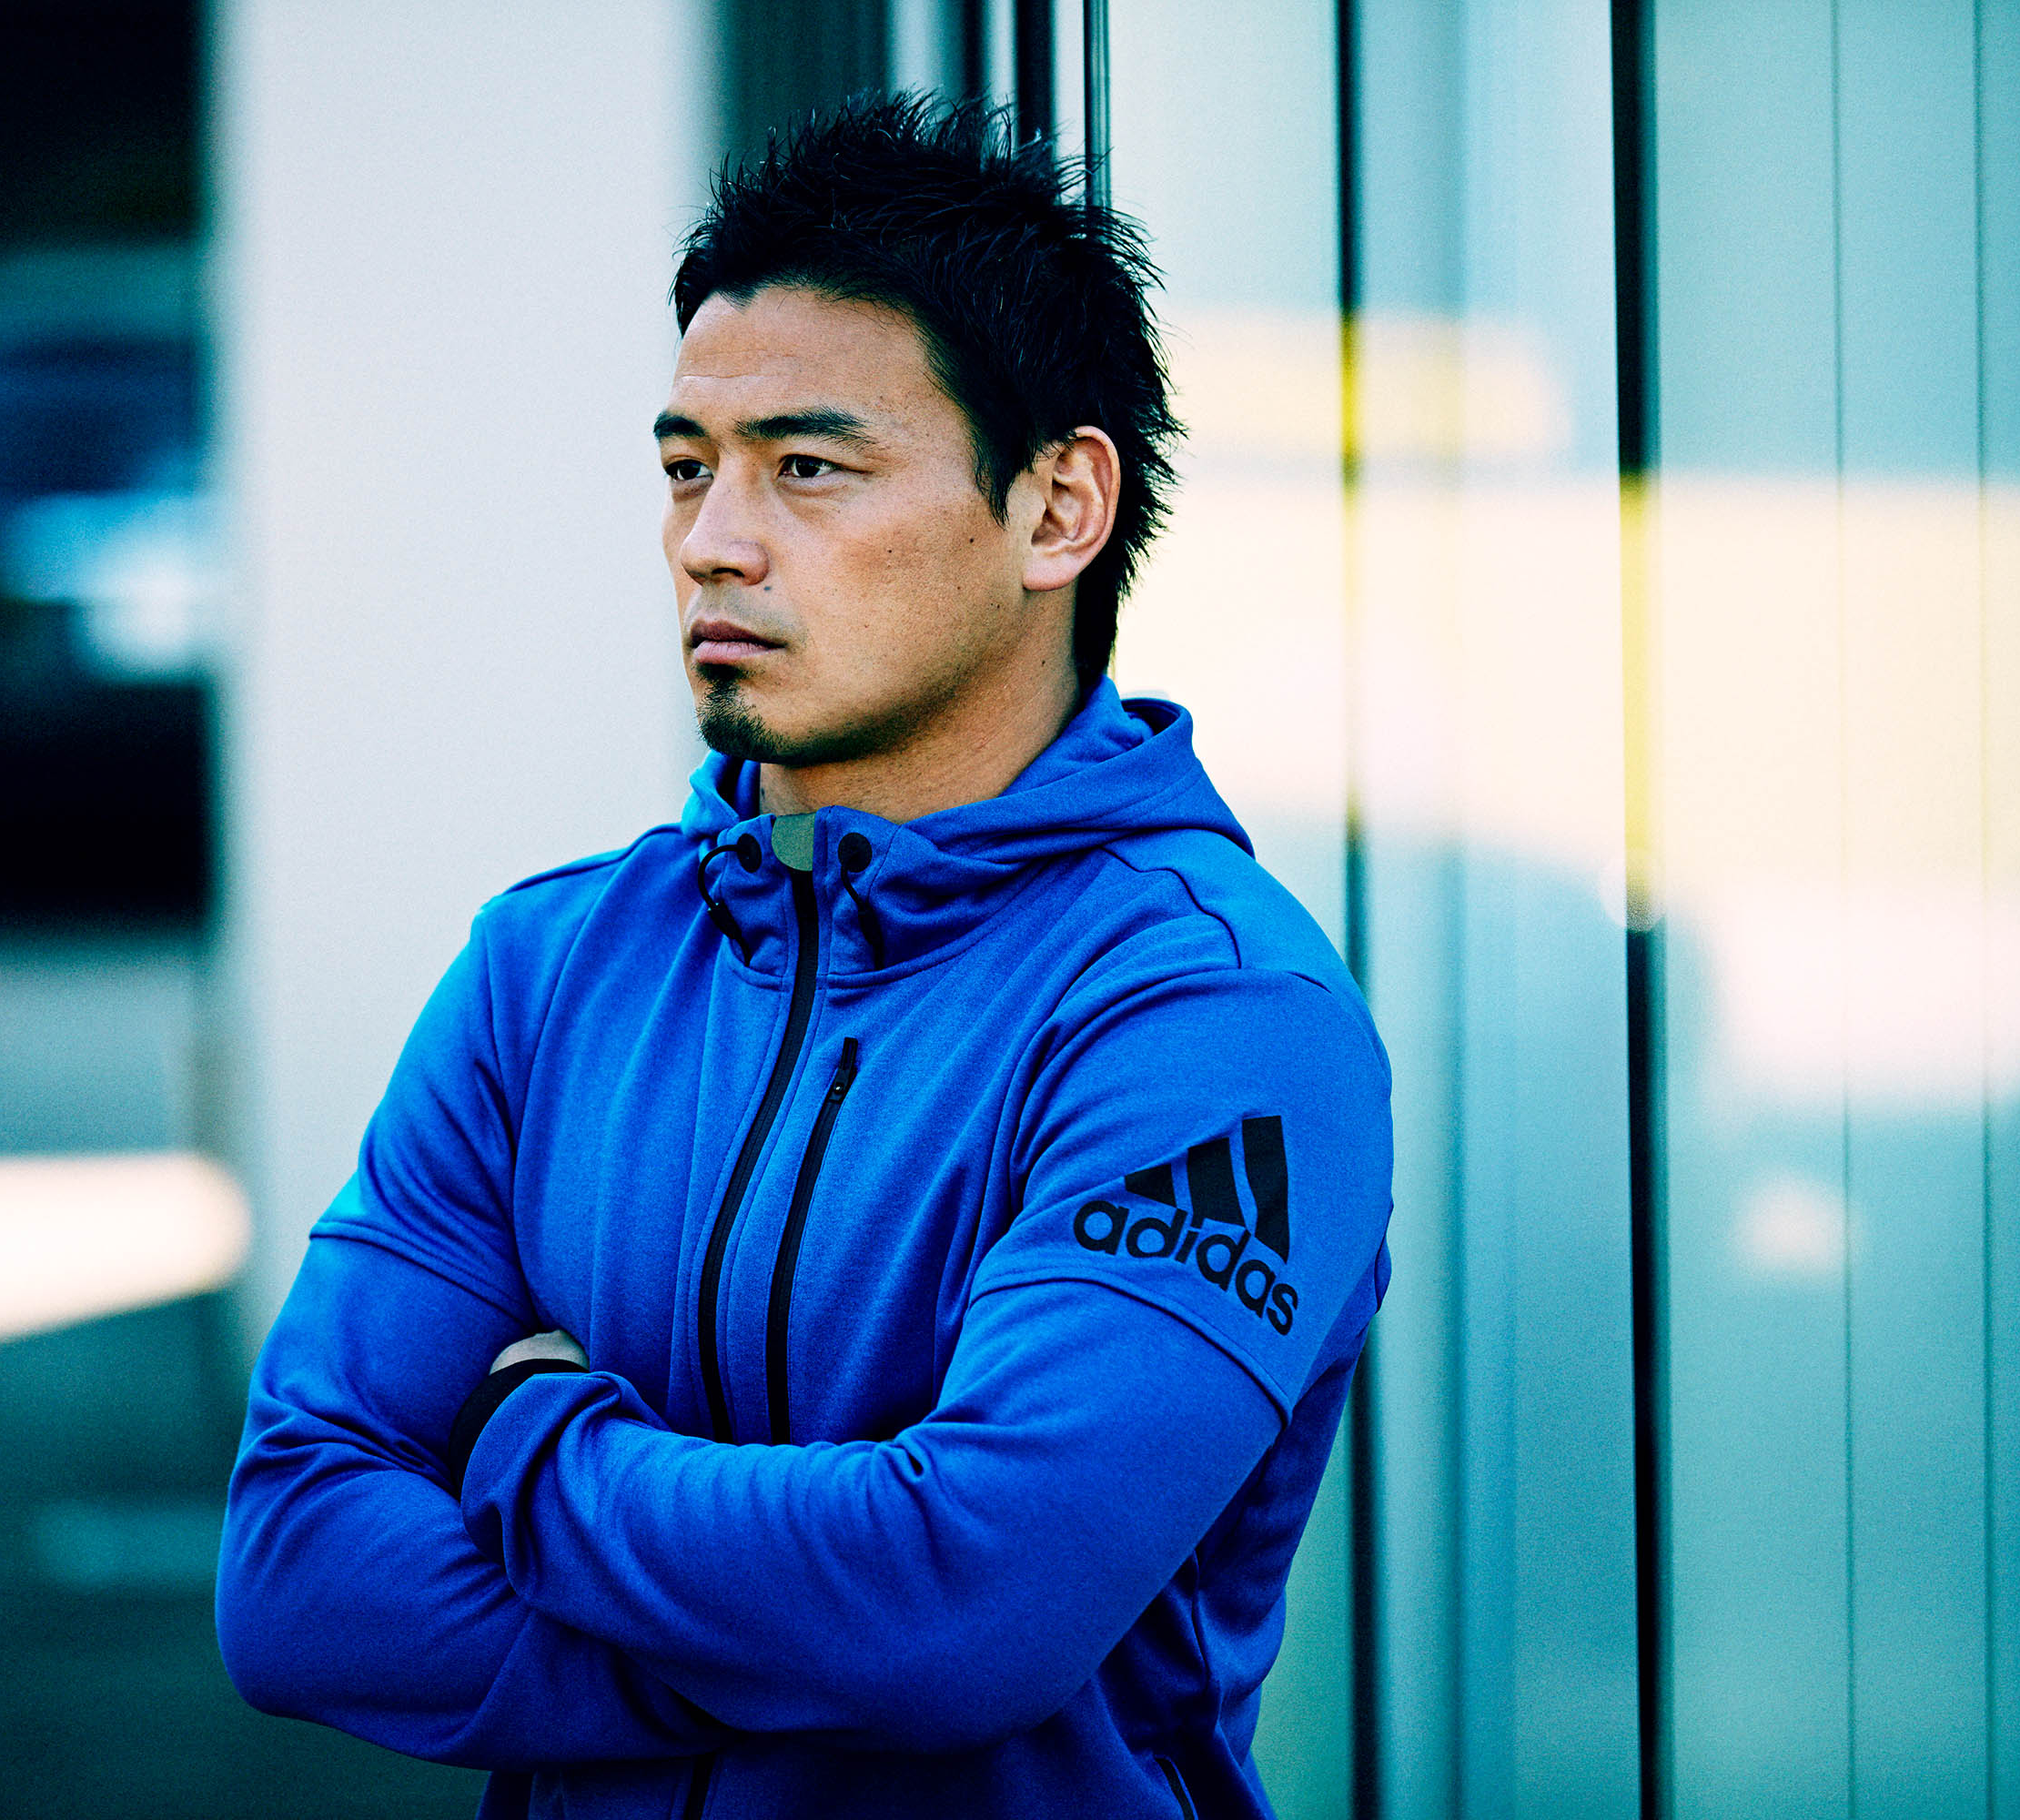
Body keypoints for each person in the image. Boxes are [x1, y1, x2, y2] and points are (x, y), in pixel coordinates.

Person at [217, 96, 1393, 1819]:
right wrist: (811, 1661)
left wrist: (531, 1444)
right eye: (688, 467)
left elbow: (963, 1607)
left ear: (1058, 508)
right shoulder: (550, 969)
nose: (713, 540)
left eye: (808, 469)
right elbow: (295, 1574)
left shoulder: (1212, 1020)